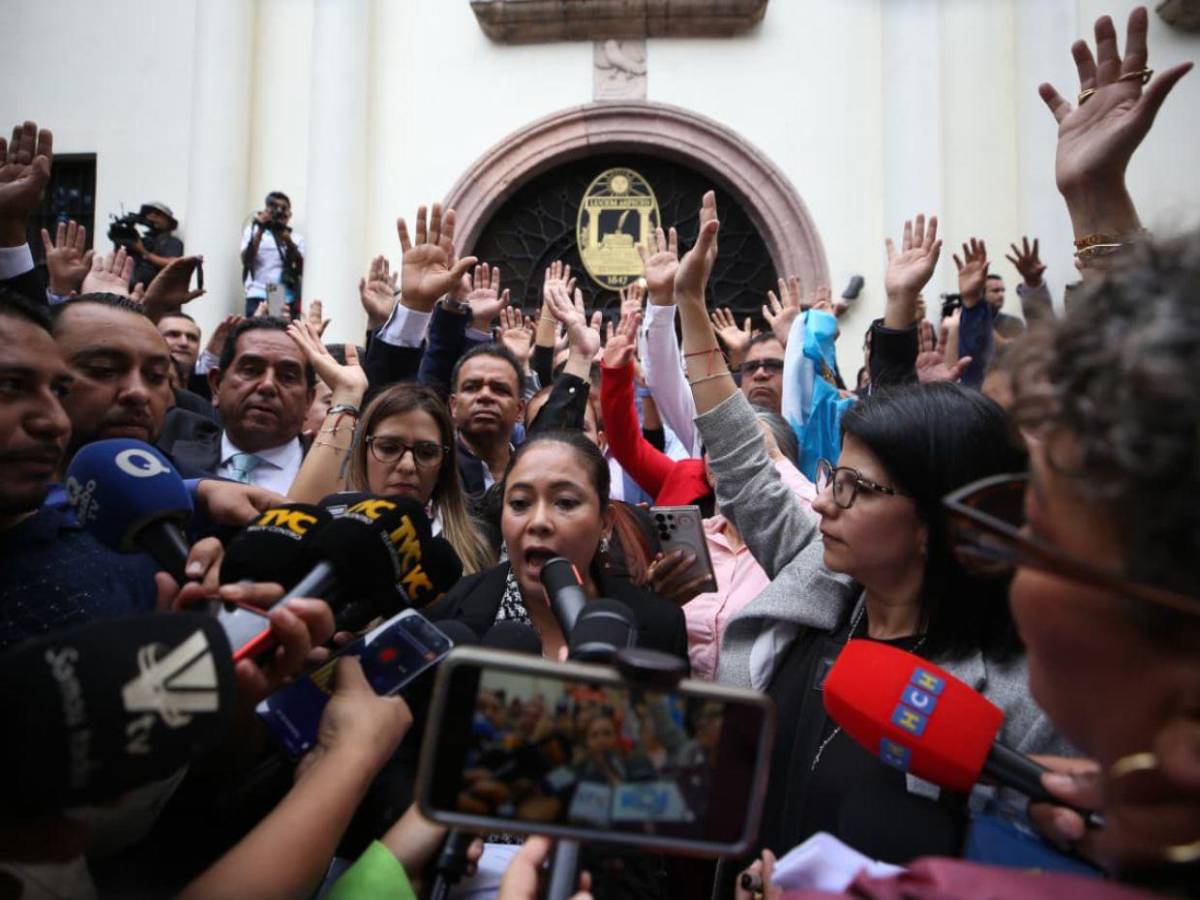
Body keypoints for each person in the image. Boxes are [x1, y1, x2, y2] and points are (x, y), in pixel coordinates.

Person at [672, 192, 1069, 868]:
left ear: (936, 520)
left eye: (856, 489)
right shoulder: (819, 580)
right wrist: (688, 305)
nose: (825, 503)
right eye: (833, 477)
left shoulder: (1016, 696)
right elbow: (741, 460)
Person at [426, 429, 688, 662]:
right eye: (519, 503)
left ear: (605, 523)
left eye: (565, 502)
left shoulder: (659, 625)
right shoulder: (449, 617)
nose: (539, 522)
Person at [348, 382, 495, 575]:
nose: (407, 466)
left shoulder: (477, 551)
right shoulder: (332, 537)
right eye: (389, 448)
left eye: (426, 453)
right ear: (363, 452)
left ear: (444, 464)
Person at [159, 317, 315, 491]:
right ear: (217, 385)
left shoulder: (333, 474)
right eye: (251, 371)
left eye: (287, 377)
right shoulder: (167, 455)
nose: (267, 385)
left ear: (309, 400)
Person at [241, 191, 304, 317]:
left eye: (283, 208)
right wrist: (260, 229)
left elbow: (301, 268)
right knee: (255, 327)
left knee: (275, 327)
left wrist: (288, 242)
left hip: (278, 292)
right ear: (266, 210)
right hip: (257, 291)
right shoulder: (253, 231)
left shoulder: (295, 238)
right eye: (274, 207)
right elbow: (246, 259)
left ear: (289, 214)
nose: (279, 212)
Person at [129, 201, 183, 290]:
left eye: (157, 214)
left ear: (168, 221)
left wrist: (144, 252)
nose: (152, 216)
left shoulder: (173, 242)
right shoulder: (142, 241)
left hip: (154, 290)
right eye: (149, 214)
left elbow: (173, 263)